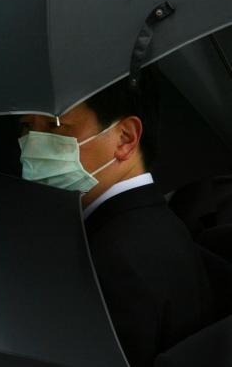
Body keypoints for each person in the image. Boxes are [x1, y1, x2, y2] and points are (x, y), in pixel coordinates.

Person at [17, 73, 216, 367]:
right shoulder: (161, 225)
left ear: (125, 138)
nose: (33, 145)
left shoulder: (114, 262)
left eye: (54, 127)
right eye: (27, 128)